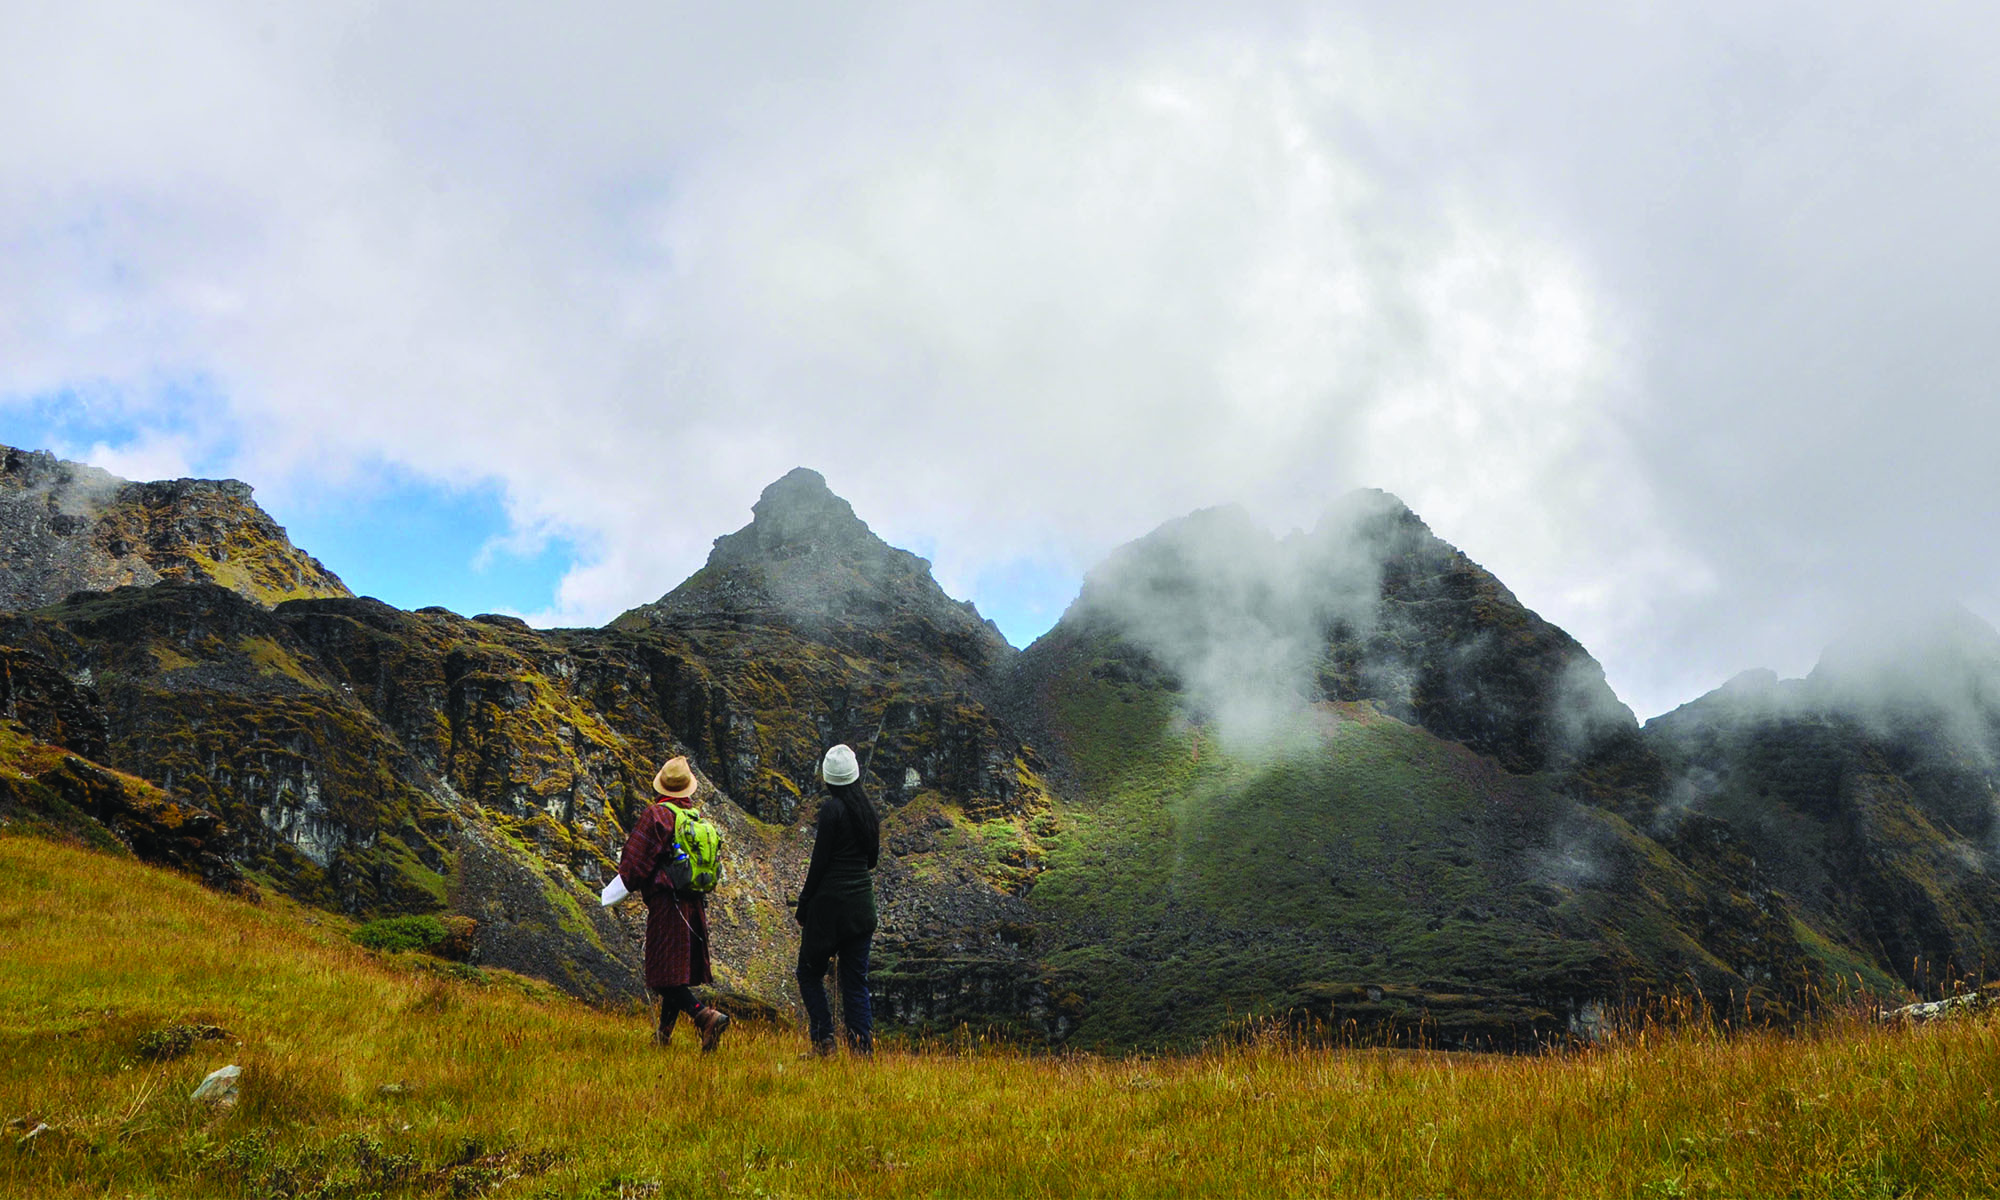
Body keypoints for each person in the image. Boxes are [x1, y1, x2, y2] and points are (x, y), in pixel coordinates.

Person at [619, 755, 730, 1052]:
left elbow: (633, 864)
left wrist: (623, 886)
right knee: (674, 971)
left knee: (661, 974)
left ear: (661, 787)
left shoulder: (657, 816)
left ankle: (704, 1016)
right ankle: (663, 1036)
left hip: (668, 904)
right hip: (694, 904)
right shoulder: (695, 819)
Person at [795, 743, 881, 1056]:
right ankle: (862, 1049)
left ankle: (824, 1041)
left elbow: (819, 864)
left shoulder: (832, 810)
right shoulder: (867, 811)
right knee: (855, 981)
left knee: (808, 972)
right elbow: (871, 861)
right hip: (862, 908)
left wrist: (804, 904)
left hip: (829, 908)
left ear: (829, 779)